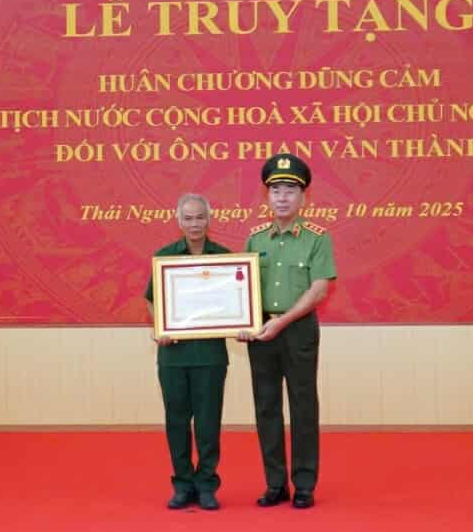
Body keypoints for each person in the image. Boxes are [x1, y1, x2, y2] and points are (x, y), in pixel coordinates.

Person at [238, 153, 336, 509]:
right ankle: (275, 484)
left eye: (290, 190)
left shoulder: (317, 238)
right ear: (267, 197)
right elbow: (242, 289)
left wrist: (281, 321)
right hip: (262, 329)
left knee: (303, 406)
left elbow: (319, 289)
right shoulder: (255, 239)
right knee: (266, 407)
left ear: (303, 197)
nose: (282, 197)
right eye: (275, 190)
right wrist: (244, 322)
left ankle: (305, 484)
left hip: (297, 330)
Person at [144, 193, 230, 511]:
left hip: (210, 357)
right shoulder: (164, 257)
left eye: (200, 218)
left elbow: (234, 302)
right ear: (179, 221)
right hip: (174, 357)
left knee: (208, 424)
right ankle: (182, 485)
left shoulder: (224, 258)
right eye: (188, 218)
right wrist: (161, 327)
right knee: (177, 422)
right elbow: (152, 299)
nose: (195, 224)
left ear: (209, 219)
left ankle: (206, 485)